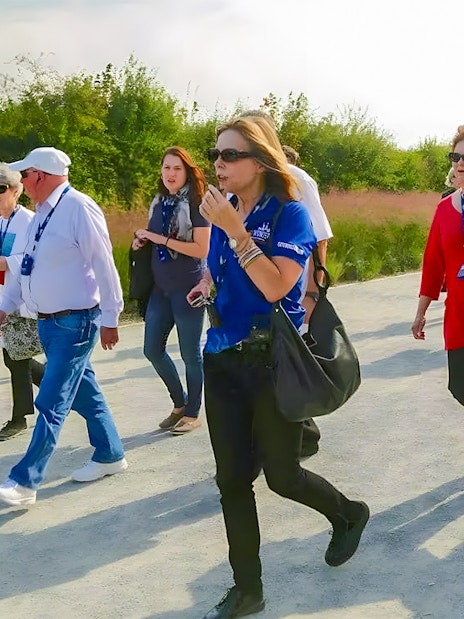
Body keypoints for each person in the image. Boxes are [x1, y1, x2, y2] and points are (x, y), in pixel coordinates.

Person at [188, 117, 369, 619]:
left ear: (261, 161)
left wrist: (234, 230)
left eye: (230, 156)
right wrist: (208, 284)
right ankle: (248, 589)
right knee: (231, 481)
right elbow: (219, 267)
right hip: (222, 358)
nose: (218, 164)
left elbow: (275, 287)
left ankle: (348, 513)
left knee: (283, 478)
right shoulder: (229, 213)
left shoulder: (290, 215)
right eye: (216, 154)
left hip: (271, 362)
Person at [0, 147, 127, 507]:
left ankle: (25, 481)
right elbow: (25, 267)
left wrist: (111, 317)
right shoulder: (42, 214)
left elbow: (104, 265)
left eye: (25, 176)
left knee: (52, 400)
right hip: (49, 324)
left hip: (76, 322)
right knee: (87, 394)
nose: (22, 183)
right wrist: (5, 307)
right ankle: (111, 455)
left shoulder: (78, 208)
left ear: (40, 175)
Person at [133, 146, 210, 434]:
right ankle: (179, 403)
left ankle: (192, 413)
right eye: (166, 167)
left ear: (187, 171)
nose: (170, 174)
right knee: (152, 349)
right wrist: (142, 242)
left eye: (177, 168)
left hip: (188, 288)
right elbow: (156, 238)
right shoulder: (159, 201)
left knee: (191, 355)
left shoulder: (196, 204)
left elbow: (201, 248)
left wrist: (157, 238)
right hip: (160, 288)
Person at [412, 125, 464, 407]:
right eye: (455, 158)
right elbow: (433, 264)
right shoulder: (446, 208)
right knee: (460, 387)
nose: (460, 164)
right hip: (459, 316)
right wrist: (421, 312)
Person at [0, 163, 45, 441]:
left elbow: (35, 260)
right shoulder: (1, 221)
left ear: (16, 191)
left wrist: (7, 262)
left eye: (1, 189)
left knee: (15, 357)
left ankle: (20, 417)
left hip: (22, 302)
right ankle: (62, 386)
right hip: (5, 298)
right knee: (15, 357)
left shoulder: (29, 221)